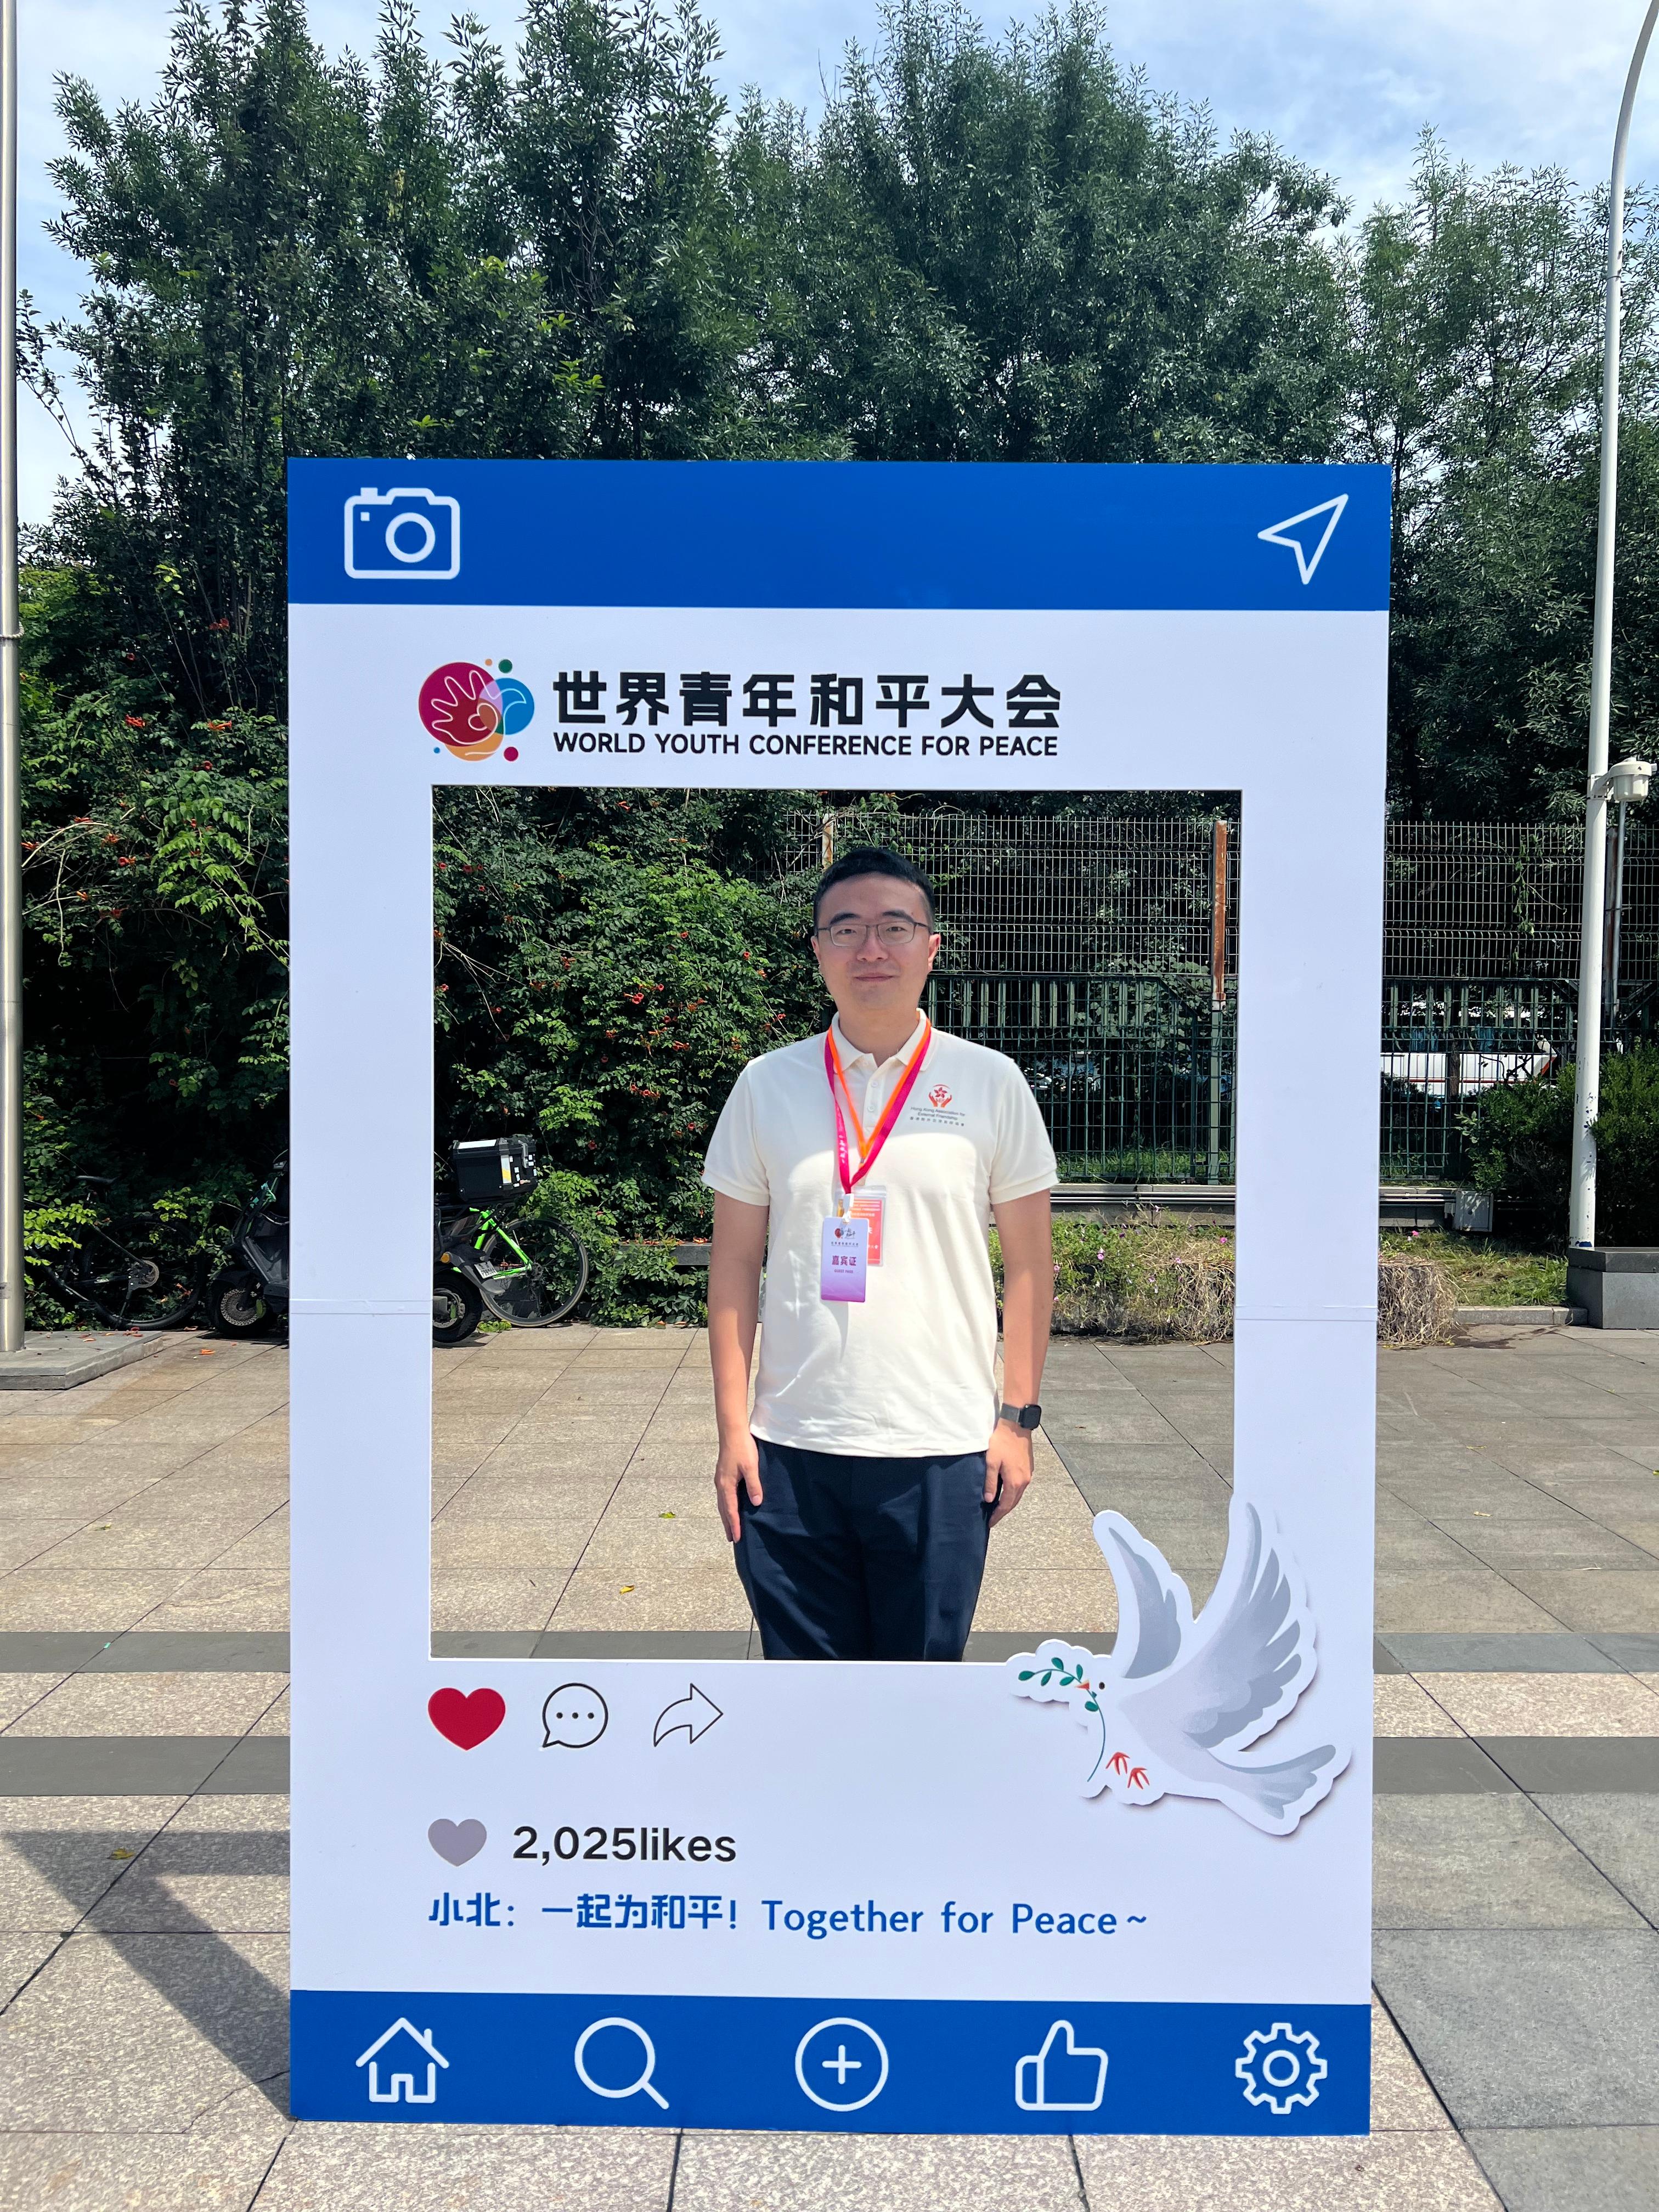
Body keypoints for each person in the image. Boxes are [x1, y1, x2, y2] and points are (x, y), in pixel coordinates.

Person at [702, 843, 1057, 1661]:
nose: (871, 948)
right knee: (805, 1696)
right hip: (789, 1448)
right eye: (846, 929)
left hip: (942, 1447)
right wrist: (731, 1430)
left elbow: (1031, 1266)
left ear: (931, 948)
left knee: (920, 1693)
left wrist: (1017, 1420)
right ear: (817, 949)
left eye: (895, 927)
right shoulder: (767, 1085)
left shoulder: (990, 1082)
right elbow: (734, 1266)